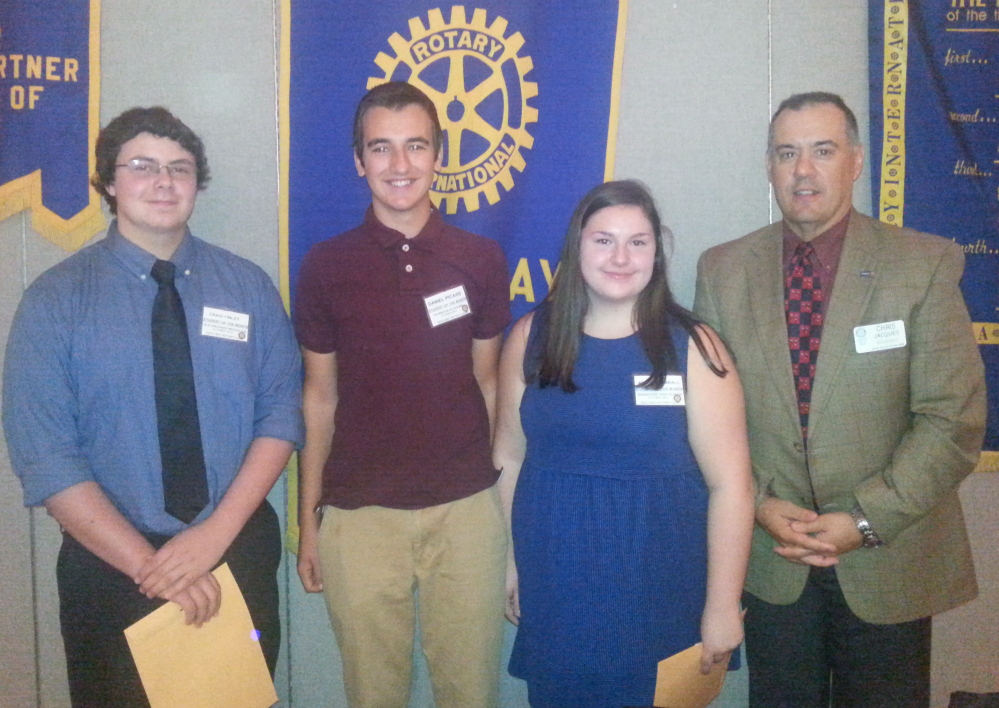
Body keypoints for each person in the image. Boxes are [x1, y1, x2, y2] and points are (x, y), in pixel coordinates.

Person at [2, 106, 304, 707]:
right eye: (143, 166)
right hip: (111, 568)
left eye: (180, 168)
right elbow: (47, 457)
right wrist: (150, 565)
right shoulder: (55, 301)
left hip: (233, 551)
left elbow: (281, 413)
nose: (164, 182)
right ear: (109, 183)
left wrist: (213, 537)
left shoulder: (246, 287)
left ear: (197, 183)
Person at [693, 92, 986, 707]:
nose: (804, 170)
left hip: (889, 556)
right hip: (774, 558)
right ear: (769, 167)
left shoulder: (922, 264)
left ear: (855, 161)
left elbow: (952, 420)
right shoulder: (722, 270)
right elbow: (706, 419)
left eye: (823, 151)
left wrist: (862, 520)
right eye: (787, 154)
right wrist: (762, 503)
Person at [493, 179, 754, 707]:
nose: (620, 256)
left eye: (637, 242)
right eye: (603, 240)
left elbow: (732, 486)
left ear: (656, 254)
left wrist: (723, 605)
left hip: (661, 585)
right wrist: (511, 563)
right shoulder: (531, 338)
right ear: (577, 247)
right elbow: (508, 456)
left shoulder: (694, 347)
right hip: (558, 583)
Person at [293, 81, 511, 708]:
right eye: (381, 149)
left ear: (439, 154)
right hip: (360, 518)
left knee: (471, 692)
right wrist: (311, 523)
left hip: (465, 513)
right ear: (359, 161)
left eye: (416, 146)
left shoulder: (482, 259)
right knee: (373, 694)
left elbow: (488, 382)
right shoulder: (325, 266)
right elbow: (319, 399)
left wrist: (493, 498)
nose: (400, 165)